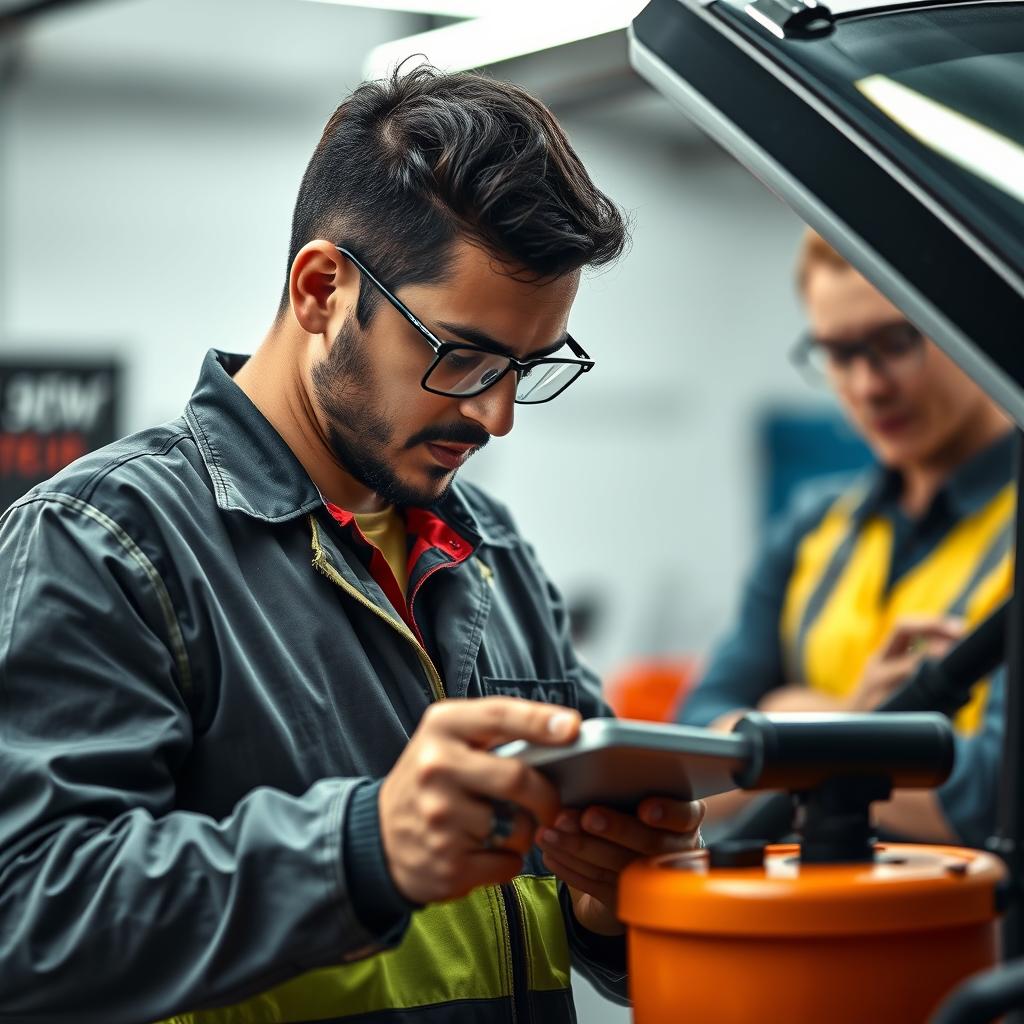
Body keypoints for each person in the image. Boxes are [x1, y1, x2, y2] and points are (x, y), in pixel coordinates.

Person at [0, 67, 704, 1024]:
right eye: (461, 357)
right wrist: (361, 849)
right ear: (323, 289)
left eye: (528, 368)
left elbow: (546, 925)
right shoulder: (108, 544)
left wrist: (609, 904)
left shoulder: (491, 552)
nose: (495, 415)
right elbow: (28, 922)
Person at [679, 230, 1012, 849]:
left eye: (895, 343)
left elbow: (990, 794)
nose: (867, 386)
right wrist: (850, 729)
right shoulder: (814, 524)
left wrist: (792, 721)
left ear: (969, 321)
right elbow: (697, 750)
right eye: (837, 353)